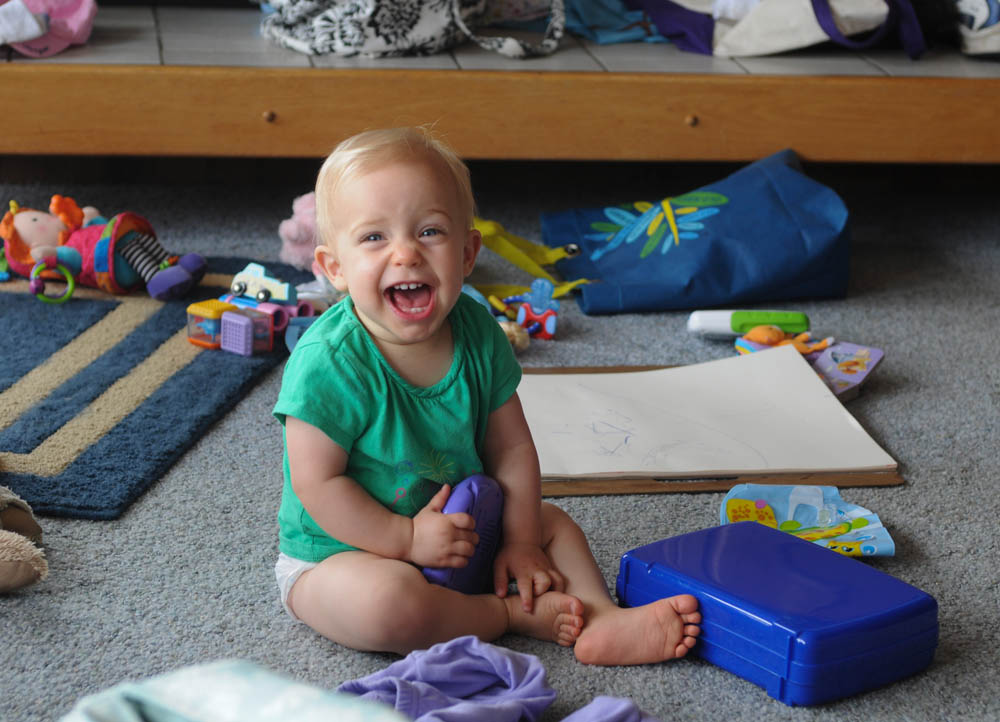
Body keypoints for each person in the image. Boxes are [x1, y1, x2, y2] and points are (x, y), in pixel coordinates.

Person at [272, 127, 701, 664]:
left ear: (469, 252)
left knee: (551, 525)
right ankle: (506, 616)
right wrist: (405, 540)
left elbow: (511, 449)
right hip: (345, 553)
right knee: (386, 606)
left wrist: (519, 541)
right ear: (334, 268)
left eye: (430, 231)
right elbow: (318, 482)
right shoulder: (328, 363)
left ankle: (601, 618)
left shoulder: (477, 332)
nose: (405, 253)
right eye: (374, 238)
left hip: (462, 530)